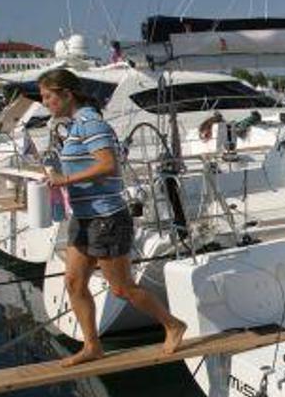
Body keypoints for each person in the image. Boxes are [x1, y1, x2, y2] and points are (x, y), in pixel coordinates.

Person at [38, 69, 186, 367]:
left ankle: (172, 325)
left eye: (48, 96)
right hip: (83, 216)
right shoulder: (75, 125)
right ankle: (92, 346)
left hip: (106, 217)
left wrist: (66, 180)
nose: (44, 103)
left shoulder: (91, 123)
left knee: (121, 288)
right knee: (73, 282)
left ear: (67, 94)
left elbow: (108, 166)